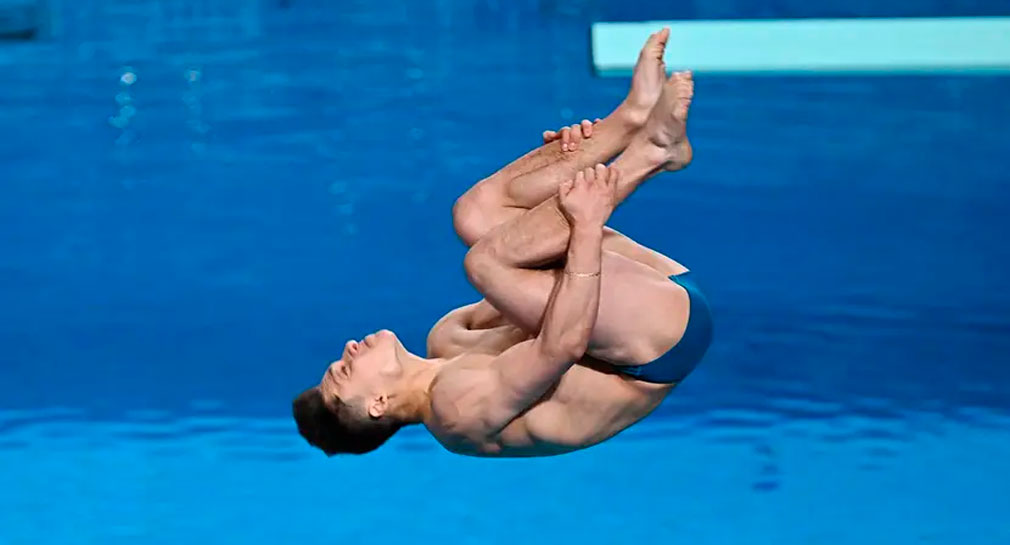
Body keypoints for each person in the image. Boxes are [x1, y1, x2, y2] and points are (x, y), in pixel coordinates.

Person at [293, 29, 713, 457]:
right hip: (661, 341)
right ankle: (652, 153)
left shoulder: (446, 340)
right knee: (484, 264)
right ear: (378, 404)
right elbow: (561, 344)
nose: (347, 349)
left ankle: (630, 120)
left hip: (652, 292)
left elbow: (533, 262)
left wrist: (561, 163)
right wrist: (585, 225)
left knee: (474, 215)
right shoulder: (456, 412)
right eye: (346, 369)